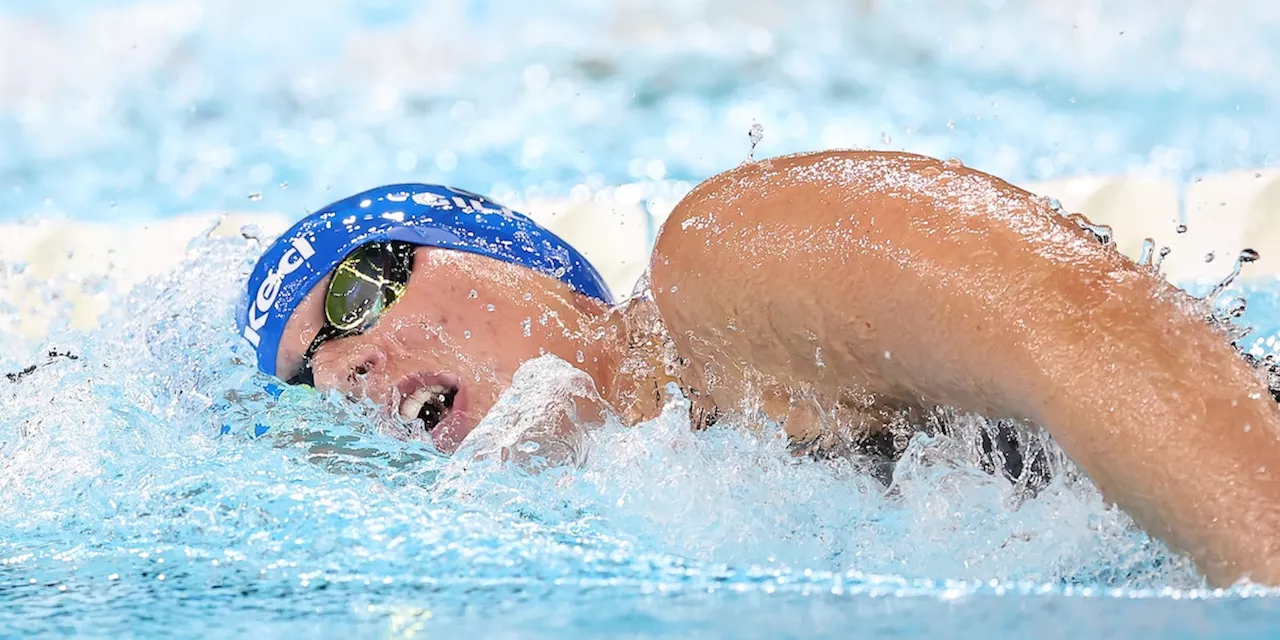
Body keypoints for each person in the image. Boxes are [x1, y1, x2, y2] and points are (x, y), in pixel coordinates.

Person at [237, 149, 1280, 587]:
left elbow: (1085, 326)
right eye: (313, 373)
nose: (350, 364)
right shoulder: (659, 511)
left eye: (360, 289)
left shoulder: (719, 269)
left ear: (527, 261)